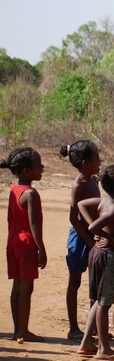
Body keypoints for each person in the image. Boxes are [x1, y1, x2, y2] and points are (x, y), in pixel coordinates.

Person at [77, 164, 114, 359]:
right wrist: (103, 235)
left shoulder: (104, 201)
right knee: (104, 303)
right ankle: (103, 348)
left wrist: (98, 233)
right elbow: (93, 226)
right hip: (109, 256)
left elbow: (81, 205)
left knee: (98, 300)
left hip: (97, 254)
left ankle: (87, 344)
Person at [2, 147, 46, 344]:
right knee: (26, 289)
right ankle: (23, 331)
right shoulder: (30, 194)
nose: (42, 168)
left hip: (12, 244)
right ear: (26, 171)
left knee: (17, 287)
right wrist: (41, 249)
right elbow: (33, 224)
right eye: (38, 165)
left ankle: (17, 329)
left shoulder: (13, 189)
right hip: (27, 246)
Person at [59, 140, 101, 340]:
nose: (100, 161)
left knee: (95, 282)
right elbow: (73, 218)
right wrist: (89, 240)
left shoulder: (92, 180)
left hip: (93, 236)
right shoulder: (79, 184)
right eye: (97, 158)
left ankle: (93, 326)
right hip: (81, 238)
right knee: (75, 281)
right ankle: (74, 328)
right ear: (85, 163)